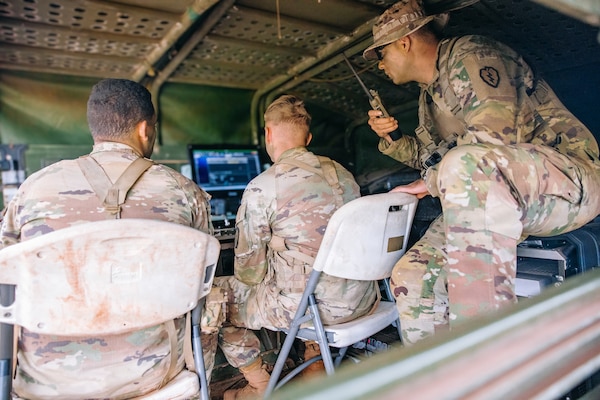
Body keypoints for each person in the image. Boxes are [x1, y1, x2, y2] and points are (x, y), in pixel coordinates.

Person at [363, 0, 600, 345]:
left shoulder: (472, 56)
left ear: (404, 41)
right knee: (414, 275)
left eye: (381, 53)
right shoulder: (429, 99)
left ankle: (487, 352)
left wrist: (428, 183)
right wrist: (395, 140)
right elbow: (433, 161)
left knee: (463, 166)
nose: (380, 64)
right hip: (494, 192)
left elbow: (493, 139)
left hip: (568, 182)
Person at [0, 78, 223, 399]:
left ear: (95, 129)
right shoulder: (185, 192)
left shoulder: (33, 189)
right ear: (145, 129)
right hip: (155, 374)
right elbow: (204, 280)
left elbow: (6, 277)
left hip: (47, 380)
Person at [211, 94, 378, 400]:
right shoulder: (343, 174)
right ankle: (315, 361)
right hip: (364, 298)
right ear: (308, 139)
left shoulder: (263, 187)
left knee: (214, 300)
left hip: (314, 310)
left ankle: (260, 385)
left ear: (268, 134)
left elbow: (249, 274)